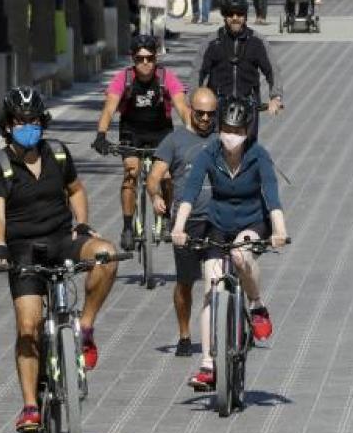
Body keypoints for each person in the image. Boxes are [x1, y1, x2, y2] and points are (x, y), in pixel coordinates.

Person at [0, 87, 120, 433]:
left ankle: (85, 327)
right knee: (28, 327)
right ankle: (30, 406)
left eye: (33, 120)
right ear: (8, 125)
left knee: (107, 254)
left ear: (42, 122)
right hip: (22, 250)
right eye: (20, 121)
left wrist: (84, 224)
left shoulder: (58, 154)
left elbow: (75, 189)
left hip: (62, 239)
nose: (27, 126)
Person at [171, 98, 289, 391]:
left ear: (247, 130)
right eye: (226, 128)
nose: (230, 135)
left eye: (237, 130)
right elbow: (190, 190)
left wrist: (279, 229)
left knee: (240, 255)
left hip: (252, 221)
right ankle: (209, 365)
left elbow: (271, 195)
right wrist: (178, 227)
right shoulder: (208, 153)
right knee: (212, 284)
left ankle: (257, 306)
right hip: (218, 223)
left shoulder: (258, 155)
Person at [92, 35, 191, 251]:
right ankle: (128, 226)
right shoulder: (123, 79)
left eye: (149, 58)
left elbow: (182, 107)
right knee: (131, 171)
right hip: (132, 131)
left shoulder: (166, 78)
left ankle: (165, 217)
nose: (145, 63)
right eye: (139, 59)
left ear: (156, 57)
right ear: (132, 59)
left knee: (166, 175)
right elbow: (109, 108)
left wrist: (193, 131)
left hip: (161, 132)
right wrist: (101, 135)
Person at [148, 88, 218, 358]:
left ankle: (227, 326)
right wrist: (155, 196)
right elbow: (154, 177)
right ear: (189, 109)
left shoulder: (222, 138)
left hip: (217, 220)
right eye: (200, 113)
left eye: (211, 114)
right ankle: (185, 335)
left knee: (221, 278)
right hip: (186, 224)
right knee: (185, 282)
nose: (205, 119)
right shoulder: (174, 141)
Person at [195, 0, 284, 139]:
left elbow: (272, 70)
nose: (235, 18)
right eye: (230, 14)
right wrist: (194, 99)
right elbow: (197, 72)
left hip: (248, 105)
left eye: (239, 14)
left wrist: (276, 97)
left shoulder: (257, 41)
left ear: (245, 16)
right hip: (218, 106)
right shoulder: (212, 42)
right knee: (213, 148)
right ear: (224, 16)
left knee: (250, 150)